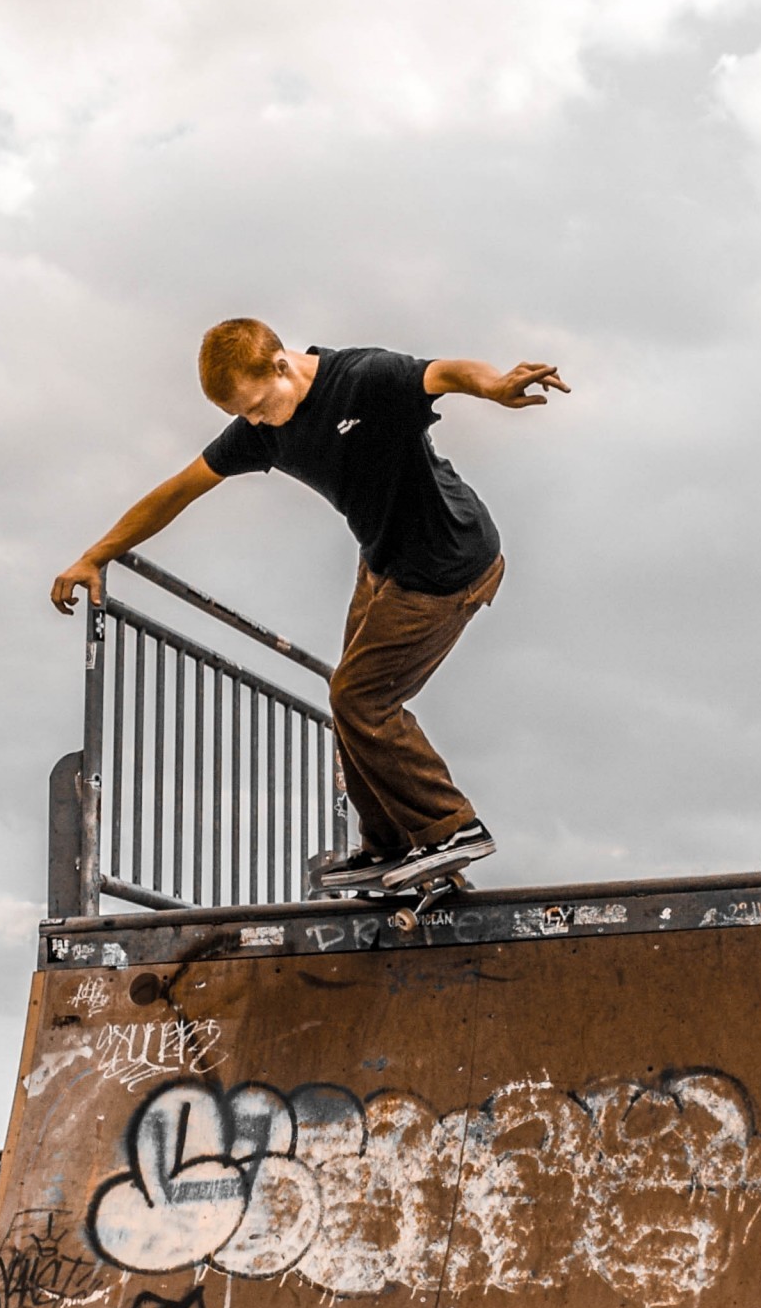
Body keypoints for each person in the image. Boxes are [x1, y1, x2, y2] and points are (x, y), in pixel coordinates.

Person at [52, 318, 567, 890]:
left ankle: (452, 829)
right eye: (242, 415)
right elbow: (178, 490)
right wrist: (95, 555)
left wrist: (495, 385)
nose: (254, 422)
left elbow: (445, 372)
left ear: (280, 365)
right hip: (384, 564)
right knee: (348, 696)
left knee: (361, 698)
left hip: (450, 562)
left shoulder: (365, 378)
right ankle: (388, 847)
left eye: (256, 406)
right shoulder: (260, 431)